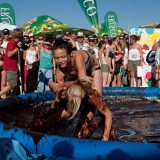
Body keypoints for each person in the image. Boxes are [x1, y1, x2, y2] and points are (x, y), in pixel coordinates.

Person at [47, 40, 112, 140]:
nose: (60, 60)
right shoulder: (59, 70)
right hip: (79, 79)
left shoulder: (77, 57)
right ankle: (93, 121)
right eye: (57, 58)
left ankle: (102, 123)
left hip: (93, 70)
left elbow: (82, 79)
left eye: (63, 57)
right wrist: (52, 112)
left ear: (70, 54)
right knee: (78, 134)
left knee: (96, 99)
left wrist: (105, 137)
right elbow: (59, 93)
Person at [0, 28, 23, 98]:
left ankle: (12, 100)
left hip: (13, 66)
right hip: (10, 66)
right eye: (21, 35)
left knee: (14, 85)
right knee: (13, 84)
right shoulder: (12, 42)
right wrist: (17, 48)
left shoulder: (13, 43)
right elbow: (9, 54)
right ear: (18, 35)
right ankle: (0, 93)